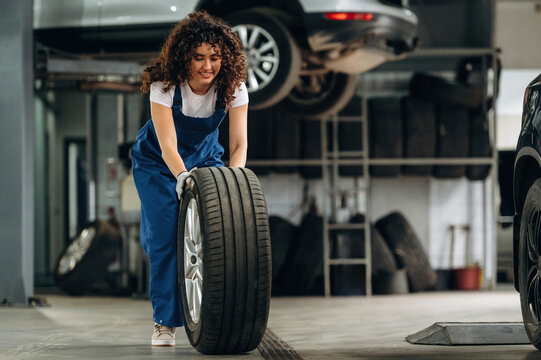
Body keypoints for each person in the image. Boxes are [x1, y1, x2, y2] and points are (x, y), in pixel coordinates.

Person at [131, 11, 248, 346]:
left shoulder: (233, 88)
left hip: (206, 158)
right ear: (184, 57)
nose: (207, 66)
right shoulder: (164, 86)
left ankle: (209, 310)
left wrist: (235, 180)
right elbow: (168, 144)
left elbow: (239, 145)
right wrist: (181, 176)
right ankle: (164, 322)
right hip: (156, 162)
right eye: (198, 58)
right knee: (165, 236)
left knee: (216, 235)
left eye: (214, 58)